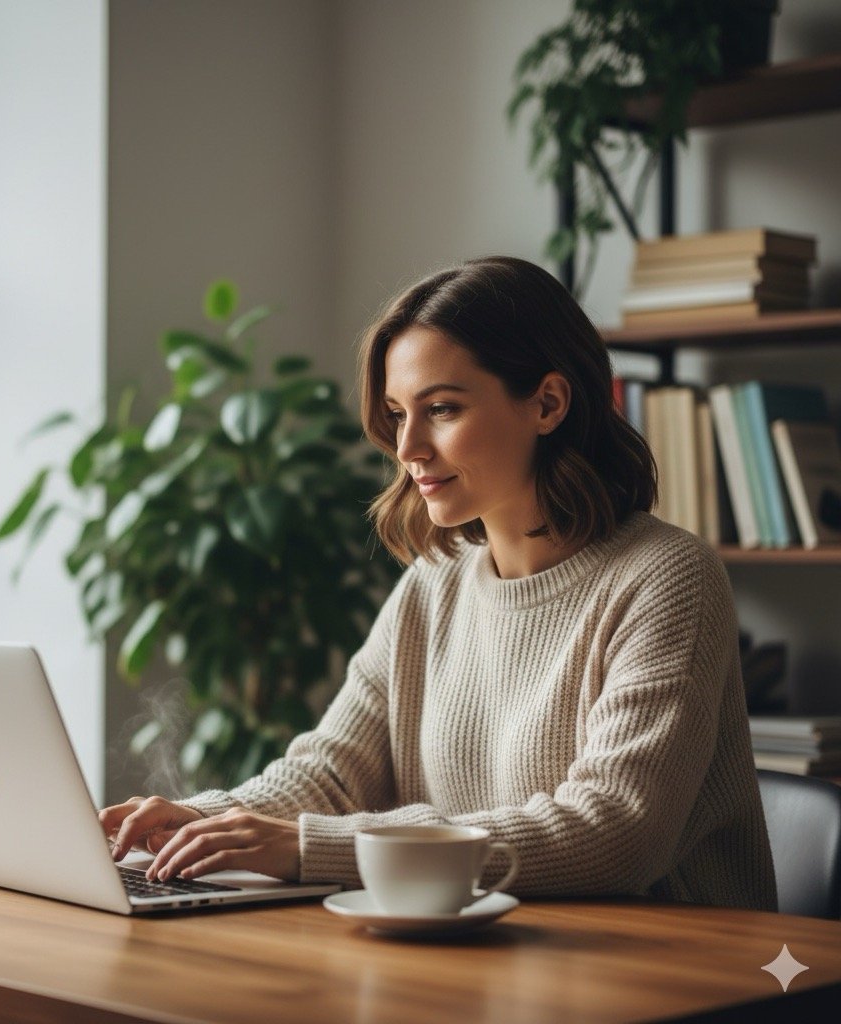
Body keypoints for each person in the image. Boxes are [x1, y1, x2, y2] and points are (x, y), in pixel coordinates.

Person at [100, 256, 776, 910]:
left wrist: (314, 848)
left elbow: (615, 831)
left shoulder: (667, 579)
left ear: (547, 403)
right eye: (397, 414)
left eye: (442, 409)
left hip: (668, 977)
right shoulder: (437, 581)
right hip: (489, 956)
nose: (407, 448)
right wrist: (199, 820)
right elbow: (333, 775)